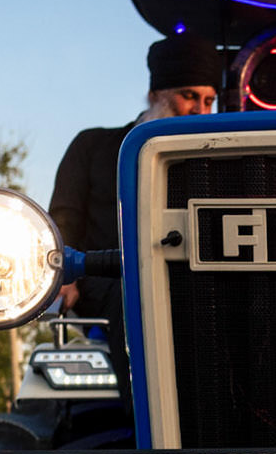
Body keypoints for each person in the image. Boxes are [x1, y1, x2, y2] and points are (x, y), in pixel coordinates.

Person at [49, 33, 220, 316]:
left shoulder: (217, 163)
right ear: (155, 96)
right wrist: (61, 278)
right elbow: (64, 218)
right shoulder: (92, 146)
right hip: (110, 286)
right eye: (188, 96)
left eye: (209, 100)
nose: (200, 111)